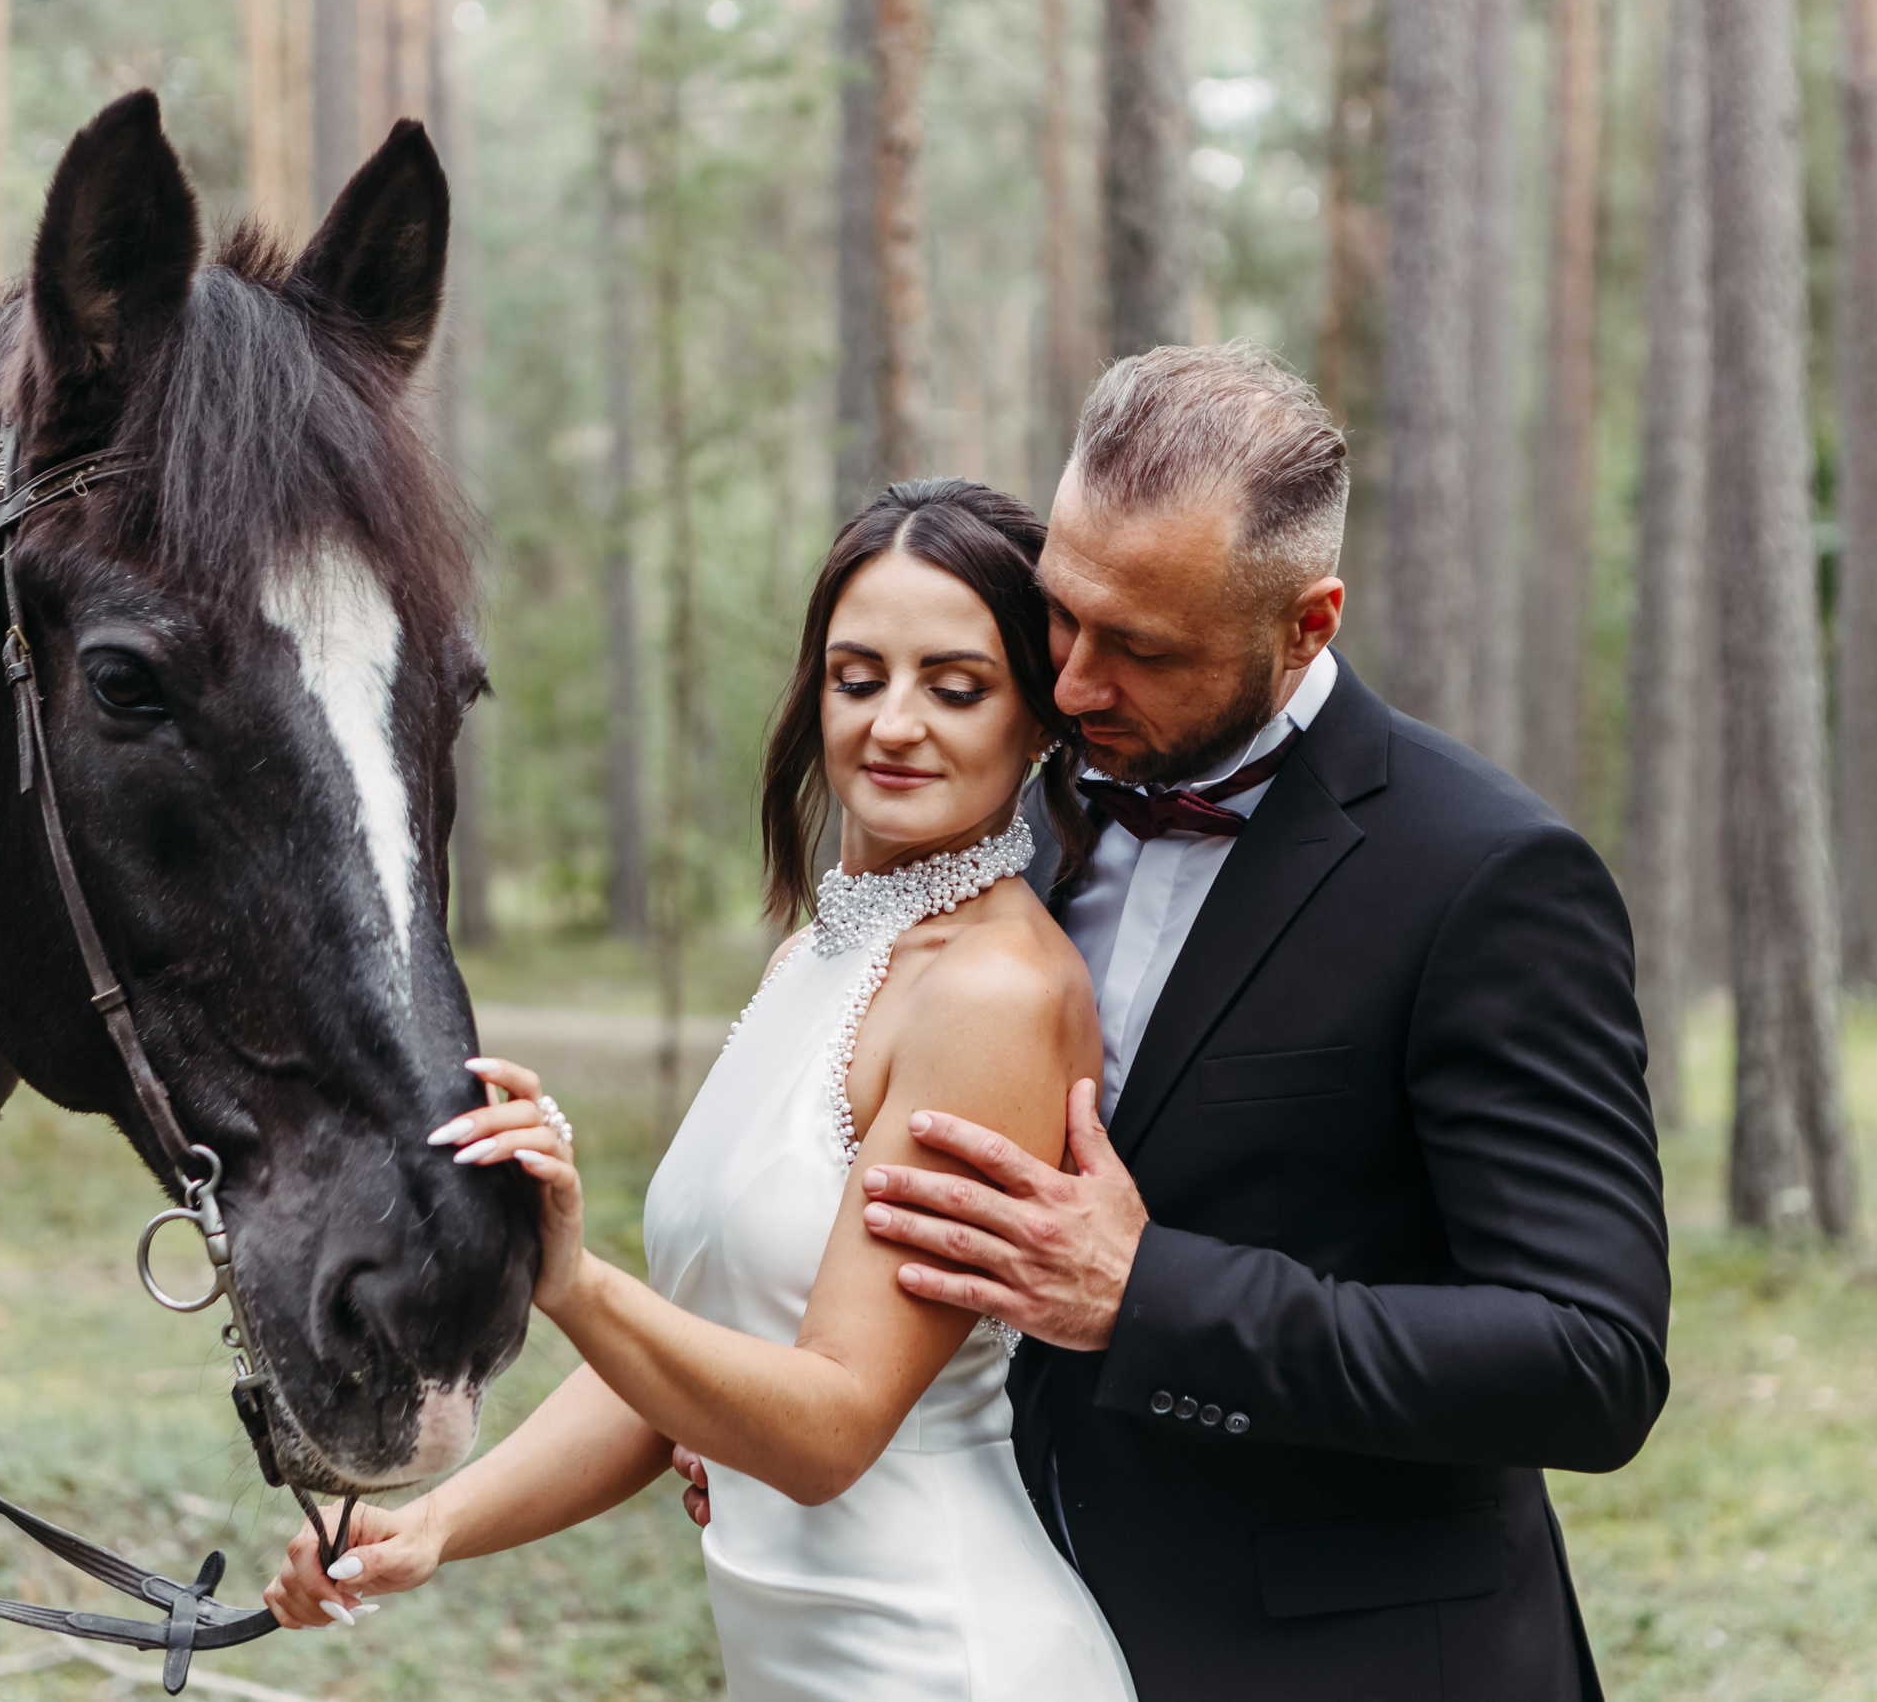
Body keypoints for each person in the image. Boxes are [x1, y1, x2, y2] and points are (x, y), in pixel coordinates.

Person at [843, 343, 1672, 1700]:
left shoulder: (1486, 876)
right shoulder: (1020, 813)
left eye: (1146, 649)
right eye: (1063, 613)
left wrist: (1150, 1295)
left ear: (1310, 621)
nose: (1077, 682)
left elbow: (1590, 1358)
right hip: (1025, 1633)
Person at [264, 479, 1136, 1701]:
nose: (893, 724)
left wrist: (569, 1279)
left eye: (955, 687)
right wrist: (435, 1528)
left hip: (947, 1655)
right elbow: (690, 1361)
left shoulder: (992, 994)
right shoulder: (817, 956)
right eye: (856, 677)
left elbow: (830, 1427)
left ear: (1035, 721)